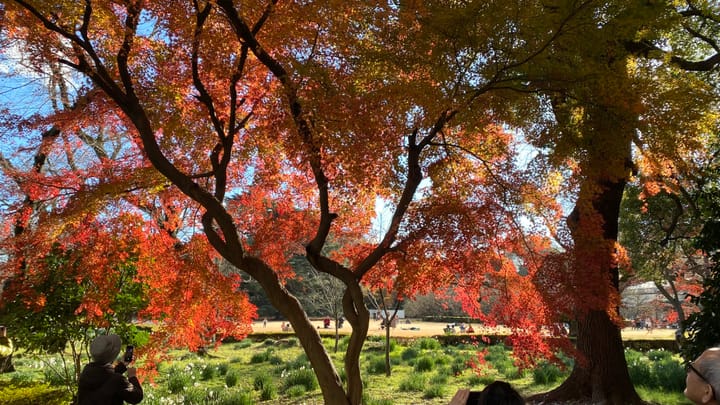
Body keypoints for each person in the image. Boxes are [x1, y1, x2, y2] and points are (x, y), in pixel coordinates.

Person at [77, 334, 143, 405]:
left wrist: (122, 365)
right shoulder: (118, 380)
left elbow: (105, 377)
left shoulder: (86, 372)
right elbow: (137, 397)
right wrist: (132, 377)